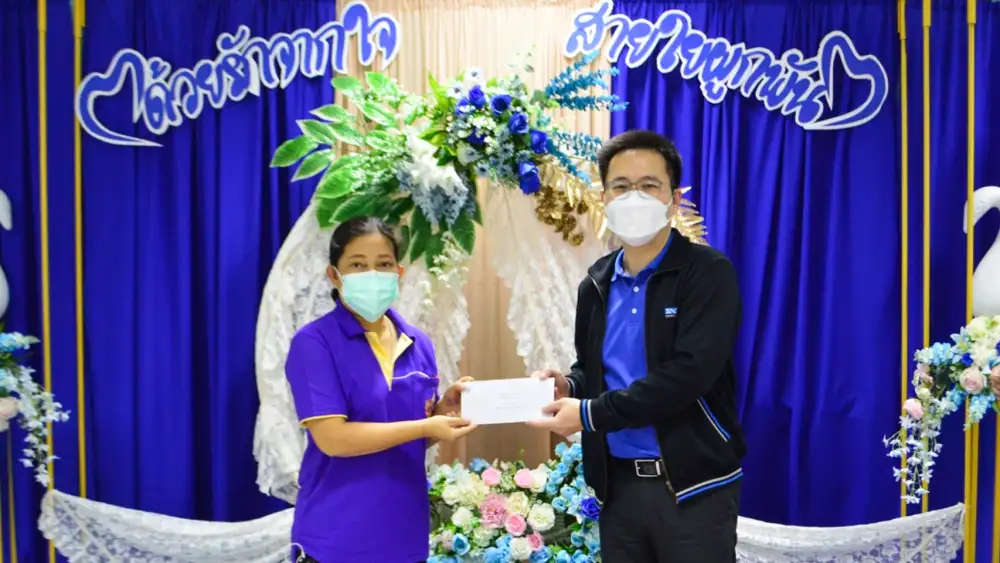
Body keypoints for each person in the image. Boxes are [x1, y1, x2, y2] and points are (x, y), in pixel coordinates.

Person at [528, 130, 745, 562]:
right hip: (618, 488)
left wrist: (588, 413)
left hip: (693, 488)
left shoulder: (706, 273)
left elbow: (689, 374)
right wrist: (570, 386)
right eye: (622, 186)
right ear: (604, 198)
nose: (634, 198)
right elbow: (594, 368)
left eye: (649, 186)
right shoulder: (596, 282)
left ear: (674, 200)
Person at [284, 216, 477, 563]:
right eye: (358, 265)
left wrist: (442, 412)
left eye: (383, 264)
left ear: (399, 273)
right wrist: (424, 426)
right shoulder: (314, 343)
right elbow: (334, 439)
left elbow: (408, 433)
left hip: (404, 534)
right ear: (334, 276)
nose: (372, 274)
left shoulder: (419, 343)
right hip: (336, 536)